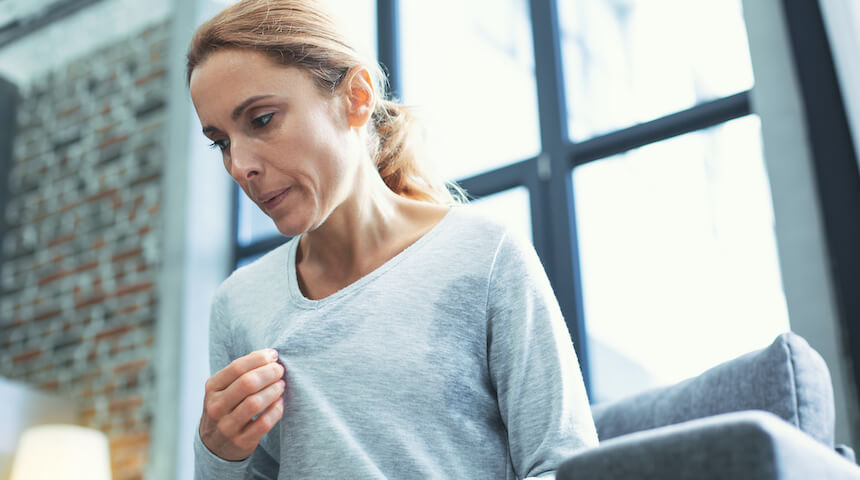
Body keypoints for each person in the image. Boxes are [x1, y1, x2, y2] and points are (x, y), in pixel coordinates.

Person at [187, 0, 598, 478]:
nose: (240, 166)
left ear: (356, 98)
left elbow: (564, 465)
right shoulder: (239, 304)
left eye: (261, 120)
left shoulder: (485, 255)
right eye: (221, 142)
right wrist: (218, 452)